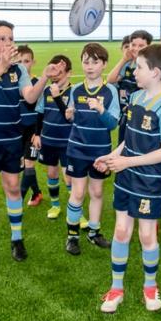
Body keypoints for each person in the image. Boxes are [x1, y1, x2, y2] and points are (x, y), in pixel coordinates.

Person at [0, 20, 62, 266]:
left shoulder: (19, 71)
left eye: (10, 38)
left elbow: (30, 96)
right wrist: (1, 66)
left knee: (13, 187)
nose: (8, 42)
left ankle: (17, 239)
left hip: (12, 139)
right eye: (1, 38)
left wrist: (43, 77)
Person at [95, 44, 161, 313]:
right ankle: (116, 288)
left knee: (146, 234)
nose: (134, 71)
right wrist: (111, 156)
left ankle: (150, 287)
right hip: (126, 176)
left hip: (149, 180)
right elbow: (128, 141)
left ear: (154, 72)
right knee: (120, 231)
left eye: (139, 67)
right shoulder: (135, 99)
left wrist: (126, 162)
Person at [64, 43, 120, 256]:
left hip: (100, 152)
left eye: (95, 62)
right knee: (78, 192)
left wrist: (101, 109)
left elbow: (113, 123)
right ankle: (72, 236)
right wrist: (69, 115)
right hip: (77, 150)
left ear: (104, 64)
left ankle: (94, 232)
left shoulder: (110, 91)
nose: (90, 66)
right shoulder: (76, 90)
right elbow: (72, 117)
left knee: (96, 191)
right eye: (86, 61)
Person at [33, 55, 73, 219]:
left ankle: (74, 209)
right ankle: (55, 205)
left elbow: (67, 116)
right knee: (51, 174)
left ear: (69, 73)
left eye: (60, 73)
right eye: (53, 73)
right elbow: (40, 113)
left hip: (67, 142)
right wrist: (37, 134)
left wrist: (57, 97)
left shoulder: (74, 92)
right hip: (48, 140)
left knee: (69, 179)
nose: (56, 77)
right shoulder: (46, 91)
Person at [107, 29, 153, 143]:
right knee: (123, 145)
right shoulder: (128, 63)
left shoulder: (151, 65)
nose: (136, 48)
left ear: (149, 46)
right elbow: (110, 80)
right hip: (126, 113)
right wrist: (124, 59)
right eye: (133, 45)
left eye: (141, 45)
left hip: (142, 114)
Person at [17, 45, 42, 207]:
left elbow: (42, 111)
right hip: (16, 130)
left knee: (29, 164)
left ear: (33, 62)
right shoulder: (12, 83)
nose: (22, 65)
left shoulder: (38, 83)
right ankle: (37, 192)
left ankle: (17, 201)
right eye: (19, 61)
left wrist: (39, 132)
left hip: (33, 130)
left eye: (26, 61)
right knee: (20, 165)